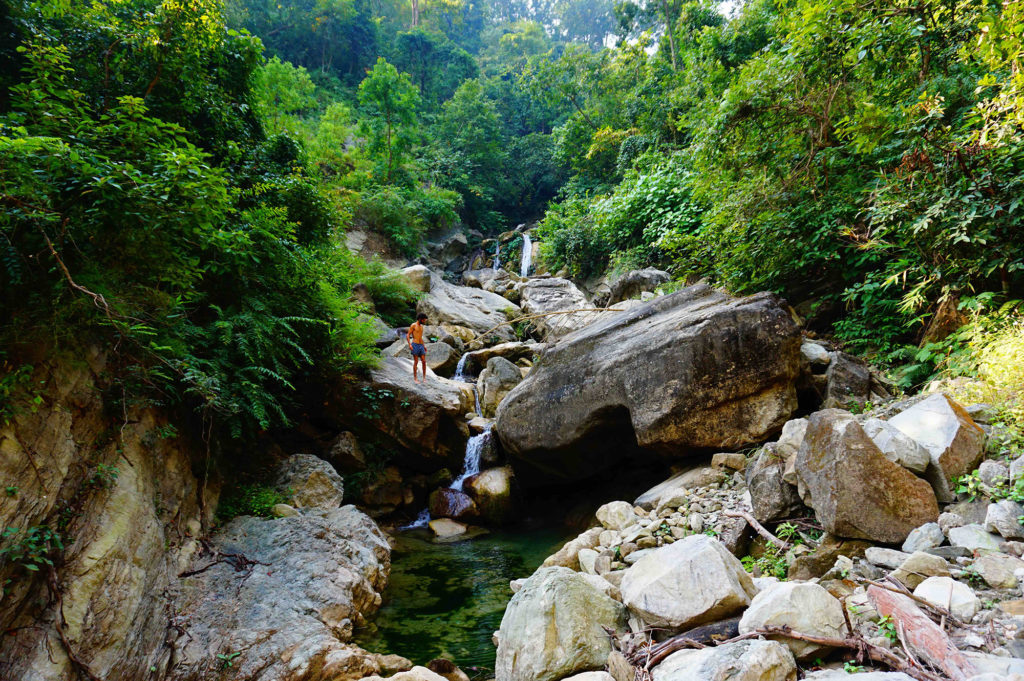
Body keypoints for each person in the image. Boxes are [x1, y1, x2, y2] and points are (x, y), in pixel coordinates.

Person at [407, 312, 428, 383]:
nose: (425, 321)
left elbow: (420, 337)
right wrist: (409, 344)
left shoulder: (422, 327)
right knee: (416, 361)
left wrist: (424, 346)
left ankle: (424, 378)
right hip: (415, 344)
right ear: (420, 319)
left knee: (424, 361)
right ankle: (415, 378)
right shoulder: (413, 325)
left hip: (421, 345)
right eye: (424, 320)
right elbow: (408, 335)